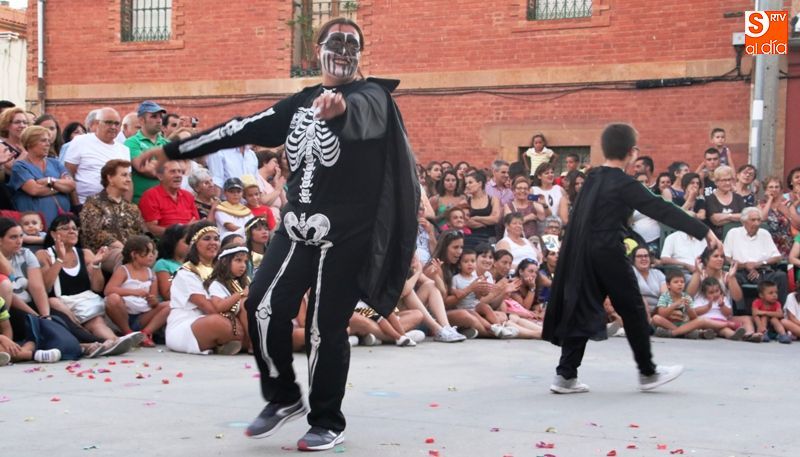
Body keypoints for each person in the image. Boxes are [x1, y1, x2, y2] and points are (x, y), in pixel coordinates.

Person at [133, 18, 419, 451]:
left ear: (361, 53)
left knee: (324, 326)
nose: (344, 50)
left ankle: (327, 419)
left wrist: (341, 111)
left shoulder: (371, 96)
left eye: (352, 43)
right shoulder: (300, 103)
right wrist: (174, 149)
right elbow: (241, 127)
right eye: (336, 41)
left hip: (347, 235)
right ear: (317, 49)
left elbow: (364, 116)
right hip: (296, 226)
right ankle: (283, 395)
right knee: (263, 305)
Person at [542, 123, 719, 394]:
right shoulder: (624, 184)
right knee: (633, 308)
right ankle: (648, 372)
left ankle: (565, 376)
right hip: (607, 252)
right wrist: (703, 230)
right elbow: (661, 208)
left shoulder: (592, 177)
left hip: (582, 252)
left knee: (581, 308)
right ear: (631, 152)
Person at [104, 236, 169, 348]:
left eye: (152, 252)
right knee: (113, 298)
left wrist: (153, 300)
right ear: (134, 254)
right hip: (123, 314)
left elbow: (153, 302)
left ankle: (144, 333)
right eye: (147, 252)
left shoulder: (151, 273)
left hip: (142, 316)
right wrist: (134, 292)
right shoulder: (123, 270)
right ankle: (127, 332)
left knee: (170, 305)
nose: (151, 255)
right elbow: (108, 290)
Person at [686, 246, 761, 342]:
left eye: (722, 257)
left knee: (746, 319)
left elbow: (737, 297)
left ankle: (749, 335)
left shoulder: (727, 276)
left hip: (723, 317)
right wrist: (697, 272)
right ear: (706, 260)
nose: (720, 259)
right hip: (703, 317)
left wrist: (732, 277)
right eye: (715, 256)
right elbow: (689, 294)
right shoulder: (699, 274)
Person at [79, 159, 146, 258]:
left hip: (132, 254)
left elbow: (141, 232)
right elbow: (92, 232)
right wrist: (123, 248)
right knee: (121, 256)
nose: (129, 179)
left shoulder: (131, 207)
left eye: (129, 176)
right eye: (124, 175)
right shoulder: (93, 203)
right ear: (110, 178)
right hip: (103, 254)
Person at [64, 108, 131, 205]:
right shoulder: (80, 141)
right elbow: (69, 174)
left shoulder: (124, 149)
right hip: (85, 204)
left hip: (115, 206)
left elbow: (128, 181)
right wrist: (76, 204)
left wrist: (126, 206)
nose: (113, 127)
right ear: (97, 123)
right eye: (108, 122)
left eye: (117, 124)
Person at [10, 126, 74, 225]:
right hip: (34, 224)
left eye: (48, 140)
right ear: (30, 143)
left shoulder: (55, 163)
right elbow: (34, 190)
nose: (48, 144)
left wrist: (50, 181)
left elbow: (71, 185)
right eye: (43, 140)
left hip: (62, 221)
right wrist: (61, 187)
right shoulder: (20, 166)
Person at [723, 207, 788, 305]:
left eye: (759, 220)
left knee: (781, 276)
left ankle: (779, 310)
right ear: (743, 221)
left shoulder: (764, 233)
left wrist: (759, 264)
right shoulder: (733, 233)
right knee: (732, 278)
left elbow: (777, 257)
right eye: (753, 220)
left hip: (763, 271)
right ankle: (736, 310)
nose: (757, 223)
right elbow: (726, 258)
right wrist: (745, 265)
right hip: (741, 271)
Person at [204, 244, 252, 353]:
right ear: (225, 262)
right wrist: (240, 294)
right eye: (238, 260)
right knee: (245, 303)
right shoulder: (217, 284)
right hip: (229, 321)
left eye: (245, 262)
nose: (243, 265)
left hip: (244, 322)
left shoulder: (244, 282)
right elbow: (219, 307)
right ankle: (252, 343)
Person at [138, 160, 200, 238]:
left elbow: (196, 222)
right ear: (160, 176)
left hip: (190, 239)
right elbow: (152, 229)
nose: (178, 175)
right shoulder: (151, 195)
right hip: (166, 240)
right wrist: (181, 231)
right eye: (173, 172)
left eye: (180, 171)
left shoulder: (188, 195)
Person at [651, 269, 718, 339]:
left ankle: (672, 333)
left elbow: (694, 317)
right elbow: (662, 314)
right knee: (656, 318)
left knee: (699, 320)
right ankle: (685, 332)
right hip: (668, 324)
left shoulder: (687, 297)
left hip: (684, 324)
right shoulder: (664, 296)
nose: (680, 284)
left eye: (682, 282)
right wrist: (675, 305)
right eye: (676, 282)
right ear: (668, 285)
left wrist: (688, 308)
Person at [127, 101, 170, 203]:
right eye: (154, 116)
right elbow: (145, 169)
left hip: (167, 202)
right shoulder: (131, 143)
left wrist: (156, 164)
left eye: (160, 117)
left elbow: (180, 169)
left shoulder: (167, 143)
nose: (159, 120)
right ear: (141, 120)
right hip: (142, 202)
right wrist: (169, 168)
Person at [759, 176, 798, 257]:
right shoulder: (761, 204)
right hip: (767, 242)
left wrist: (787, 213)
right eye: (771, 187)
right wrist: (770, 200)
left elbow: (797, 223)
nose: (774, 189)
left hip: (785, 243)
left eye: (777, 187)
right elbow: (762, 218)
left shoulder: (787, 203)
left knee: (786, 264)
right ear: (766, 189)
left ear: (780, 189)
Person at [463, 170, 501, 249]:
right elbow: (467, 222)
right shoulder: (465, 202)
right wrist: (487, 221)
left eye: (470, 182)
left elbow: (495, 219)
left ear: (480, 184)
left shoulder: (493, 199)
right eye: (466, 183)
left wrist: (476, 218)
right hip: (471, 238)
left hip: (490, 238)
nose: (467, 185)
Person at [706, 165, 746, 239]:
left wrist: (727, 216)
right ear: (716, 182)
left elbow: (744, 217)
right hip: (718, 239)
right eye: (724, 180)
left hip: (737, 238)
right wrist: (735, 218)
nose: (727, 183)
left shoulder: (738, 197)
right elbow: (715, 220)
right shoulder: (710, 199)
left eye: (729, 180)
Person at [154, 224, 189, 301]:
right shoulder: (163, 264)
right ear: (173, 242)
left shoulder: (194, 264)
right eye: (186, 242)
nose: (191, 245)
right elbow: (167, 294)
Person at [631, 247, 666, 315]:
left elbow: (665, 294)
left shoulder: (657, 273)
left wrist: (660, 310)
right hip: (637, 309)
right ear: (633, 259)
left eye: (646, 256)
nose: (643, 258)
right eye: (639, 256)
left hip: (658, 309)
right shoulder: (631, 273)